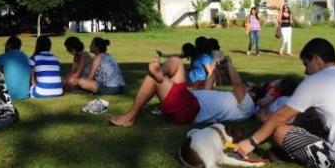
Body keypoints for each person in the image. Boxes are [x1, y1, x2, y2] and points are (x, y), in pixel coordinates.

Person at [235, 38, 335, 168]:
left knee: (281, 132)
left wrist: (251, 142)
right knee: (312, 120)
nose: (305, 71)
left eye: (306, 64)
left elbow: (280, 116)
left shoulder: (315, 81)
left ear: (316, 59)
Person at [108, 56, 256, 127]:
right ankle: (161, 74)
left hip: (189, 110)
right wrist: (216, 71)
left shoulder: (248, 106)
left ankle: (130, 116)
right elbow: (208, 88)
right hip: (189, 100)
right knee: (176, 61)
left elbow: (237, 84)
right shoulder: (234, 100)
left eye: (248, 86)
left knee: (152, 78)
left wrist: (230, 65)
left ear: (252, 94)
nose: (244, 86)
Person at [0, 35, 31, 100]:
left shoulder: (2, 58)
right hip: (25, 95)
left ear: (9, 45)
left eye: (5, 45)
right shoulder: (26, 58)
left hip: (8, 96)